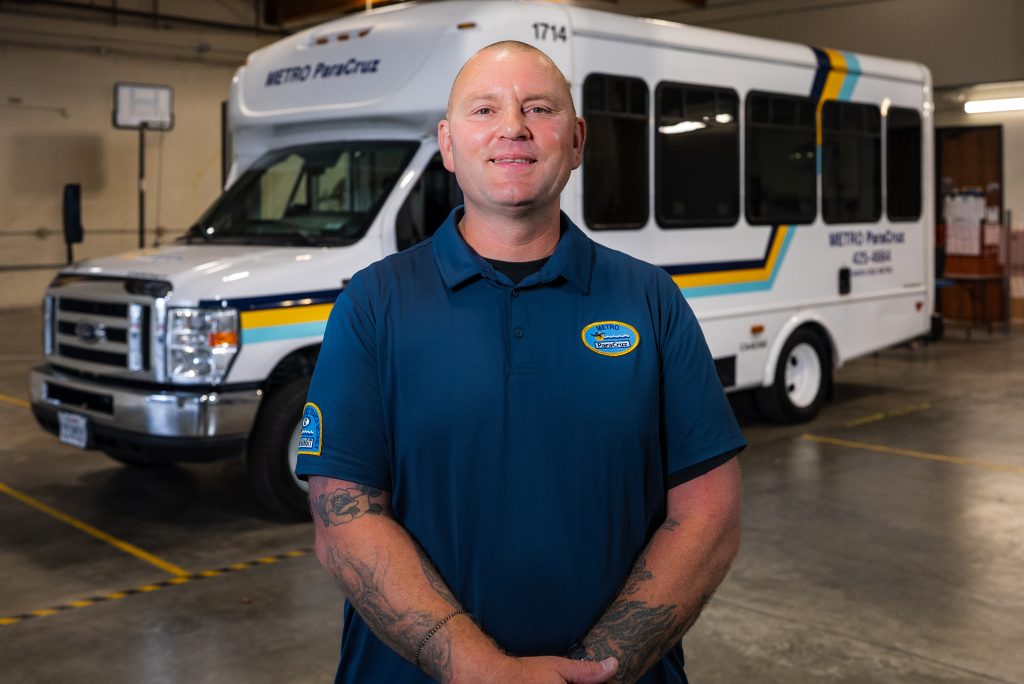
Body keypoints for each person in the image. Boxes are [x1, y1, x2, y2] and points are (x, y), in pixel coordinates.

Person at [296, 40, 746, 684]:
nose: (513, 127)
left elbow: (709, 515)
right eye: (485, 109)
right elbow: (344, 520)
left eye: (539, 107)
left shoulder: (651, 301)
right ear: (449, 146)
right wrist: (481, 670)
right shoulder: (374, 304)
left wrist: (594, 672)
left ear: (577, 140)